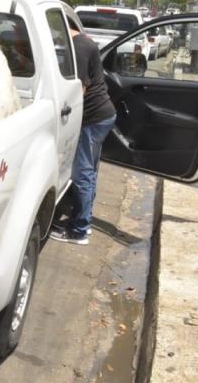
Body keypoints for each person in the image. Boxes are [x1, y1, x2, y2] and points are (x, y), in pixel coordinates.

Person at [50, 24, 117, 245]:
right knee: (89, 172)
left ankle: (78, 231)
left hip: (93, 118)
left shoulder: (78, 48)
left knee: (82, 174)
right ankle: (83, 222)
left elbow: (78, 90)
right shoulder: (82, 43)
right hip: (102, 116)